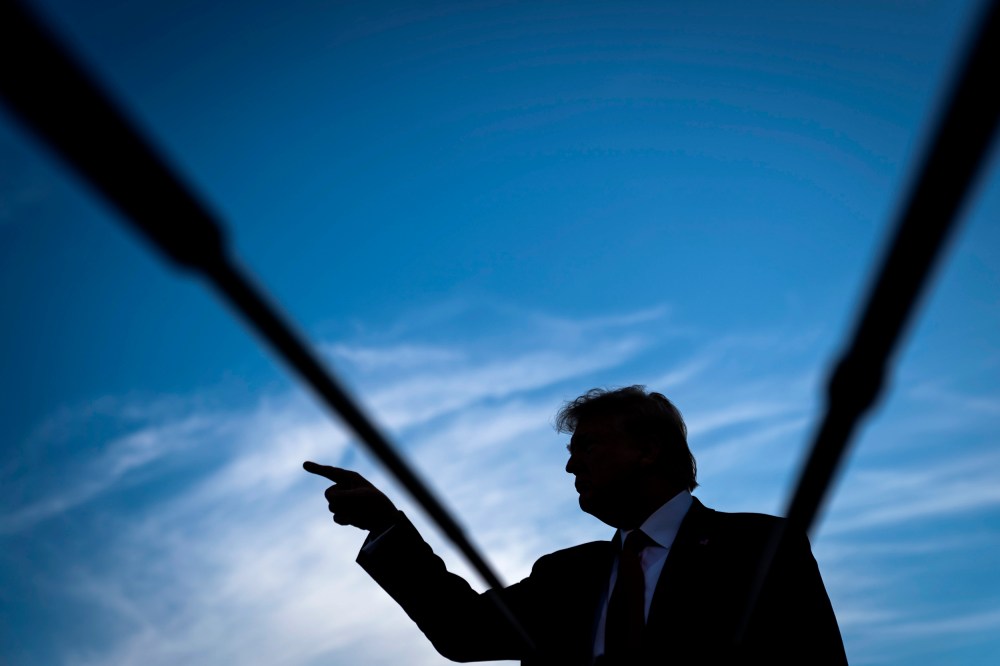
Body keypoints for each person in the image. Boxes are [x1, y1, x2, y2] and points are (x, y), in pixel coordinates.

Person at [304, 386, 848, 664]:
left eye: (587, 445)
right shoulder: (565, 575)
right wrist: (385, 526)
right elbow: (462, 631)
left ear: (647, 450)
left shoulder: (757, 546)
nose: (571, 464)